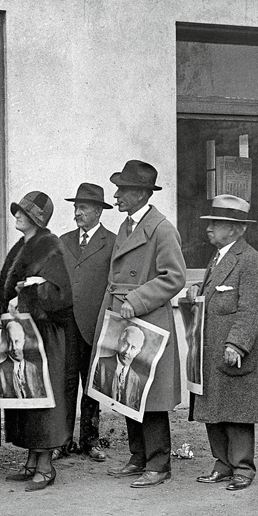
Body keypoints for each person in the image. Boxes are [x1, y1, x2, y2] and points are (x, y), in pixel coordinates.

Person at [101, 160, 186, 489]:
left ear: (140, 194)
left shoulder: (162, 229)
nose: (116, 196)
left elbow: (174, 277)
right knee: (128, 390)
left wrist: (136, 300)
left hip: (148, 320)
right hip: (124, 317)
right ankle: (138, 457)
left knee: (151, 395)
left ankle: (159, 464)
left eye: (122, 190)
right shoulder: (127, 226)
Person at [189, 195, 258, 492]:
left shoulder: (250, 260)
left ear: (235, 229)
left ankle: (243, 468)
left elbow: (252, 309)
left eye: (216, 223)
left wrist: (236, 344)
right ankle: (222, 464)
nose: (209, 228)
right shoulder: (219, 257)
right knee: (214, 409)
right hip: (211, 349)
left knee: (237, 412)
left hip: (233, 351)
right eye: (209, 222)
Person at [0, 191, 73, 492]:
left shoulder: (50, 247)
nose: (17, 215)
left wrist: (27, 294)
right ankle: (32, 461)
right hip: (24, 330)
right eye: (17, 210)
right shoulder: (23, 246)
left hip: (45, 334)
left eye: (24, 212)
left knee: (44, 399)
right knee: (27, 394)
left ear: (37, 219)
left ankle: (46, 466)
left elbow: (61, 295)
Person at [57, 183, 114, 462]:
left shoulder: (112, 242)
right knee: (65, 384)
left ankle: (90, 441)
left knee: (92, 385)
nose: (77, 212)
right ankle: (62, 441)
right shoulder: (63, 240)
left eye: (83, 208)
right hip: (67, 325)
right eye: (75, 207)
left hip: (95, 325)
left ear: (98, 212)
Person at [93, 325, 145, 410]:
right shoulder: (100, 364)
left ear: (137, 352)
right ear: (119, 343)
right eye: (125, 344)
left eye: (133, 348)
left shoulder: (136, 379)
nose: (127, 351)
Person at [0, 320, 46, 399]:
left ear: (23, 342)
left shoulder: (33, 368)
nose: (14, 347)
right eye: (10, 342)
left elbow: (41, 394)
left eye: (17, 342)